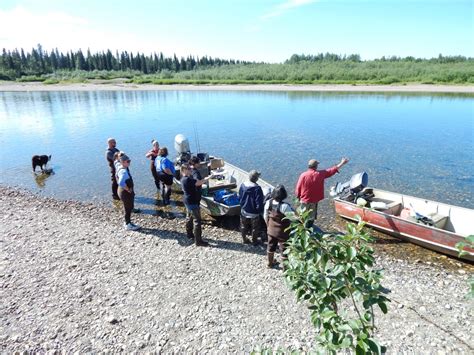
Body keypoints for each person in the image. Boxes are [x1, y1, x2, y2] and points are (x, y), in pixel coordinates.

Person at [295, 157, 349, 228]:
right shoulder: (320, 174)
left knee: (302, 215)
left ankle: (302, 229)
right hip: (313, 201)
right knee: (311, 216)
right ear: (316, 166)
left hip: (304, 200)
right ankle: (309, 229)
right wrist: (342, 163)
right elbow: (331, 171)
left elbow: (298, 188)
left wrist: (298, 197)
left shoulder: (303, 175)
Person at [180, 164, 212, 246]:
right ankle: (198, 241)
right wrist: (209, 177)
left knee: (189, 217)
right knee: (197, 221)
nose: (190, 170)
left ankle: (189, 234)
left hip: (187, 201)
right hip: (192, 202)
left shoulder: (183, 179)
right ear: (183, 170)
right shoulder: (188, 180)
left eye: (190, 168)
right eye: (188, 169)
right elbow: (199, 182)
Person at [264, 185, 293, 269]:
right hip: (282, 232)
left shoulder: (268, 202)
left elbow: (265, 216)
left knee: (270, 245)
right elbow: (292, 218)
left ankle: (270, 263)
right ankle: (285, 268)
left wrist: (268, 226)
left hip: (271, 230)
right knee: (284, 249)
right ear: (283, 195)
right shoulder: (285, 206)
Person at [239, 170, 264, 245]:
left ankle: (244, 239)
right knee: (255, 227)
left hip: (244, 210)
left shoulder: (243, 185)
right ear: (256, 179)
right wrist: (260, 210)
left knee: (243, 225)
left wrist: (242, 205)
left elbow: (240, 196)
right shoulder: (257, 188)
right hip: (254, 212)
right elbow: (259, 202)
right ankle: (254, 240)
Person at [116, 153, 140, 231]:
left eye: (129, 161)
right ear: (123, 162)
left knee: (127, 207)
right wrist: (128, 189)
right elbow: (121, 182)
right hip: (125, 193)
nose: (129, 162)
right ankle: (128, 224)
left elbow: (116, 162)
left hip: (120, 191)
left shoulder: (119, 166)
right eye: (128, 161)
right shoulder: (123, 172)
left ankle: (128, 222)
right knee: (128, 209)